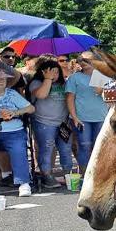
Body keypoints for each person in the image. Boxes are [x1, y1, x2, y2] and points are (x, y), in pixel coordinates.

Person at [28, 58, 77, 188]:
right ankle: (47, 176)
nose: (54, 75)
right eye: (50, 72)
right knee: (47, 148)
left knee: (66, 149)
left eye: (56, 72)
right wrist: (48, 79)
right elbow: (42, 95)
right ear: (43, 72)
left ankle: (68, 174)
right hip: (44, 122)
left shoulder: (64, 83)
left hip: (63, 123)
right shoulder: (36, 83)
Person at [0, 63, 35, 197]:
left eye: (3, 79)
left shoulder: (11, 93)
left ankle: (24, 183)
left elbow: (31, 108)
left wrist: (14, 113)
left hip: (13, 130)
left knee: (18, 151)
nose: (1, 80)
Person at [65, 52, 112, 171]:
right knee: (84, 145)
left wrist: (97, 74)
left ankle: (98, 172)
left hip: (101, 117)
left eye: (87, 60)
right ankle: (84, 172)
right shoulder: (74, 78)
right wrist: (74, 117)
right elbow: (70, 98)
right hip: (82, 118)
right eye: (81, 60)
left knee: (99, 146)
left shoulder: (103, 76)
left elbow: (98, 91)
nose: (83, 62)